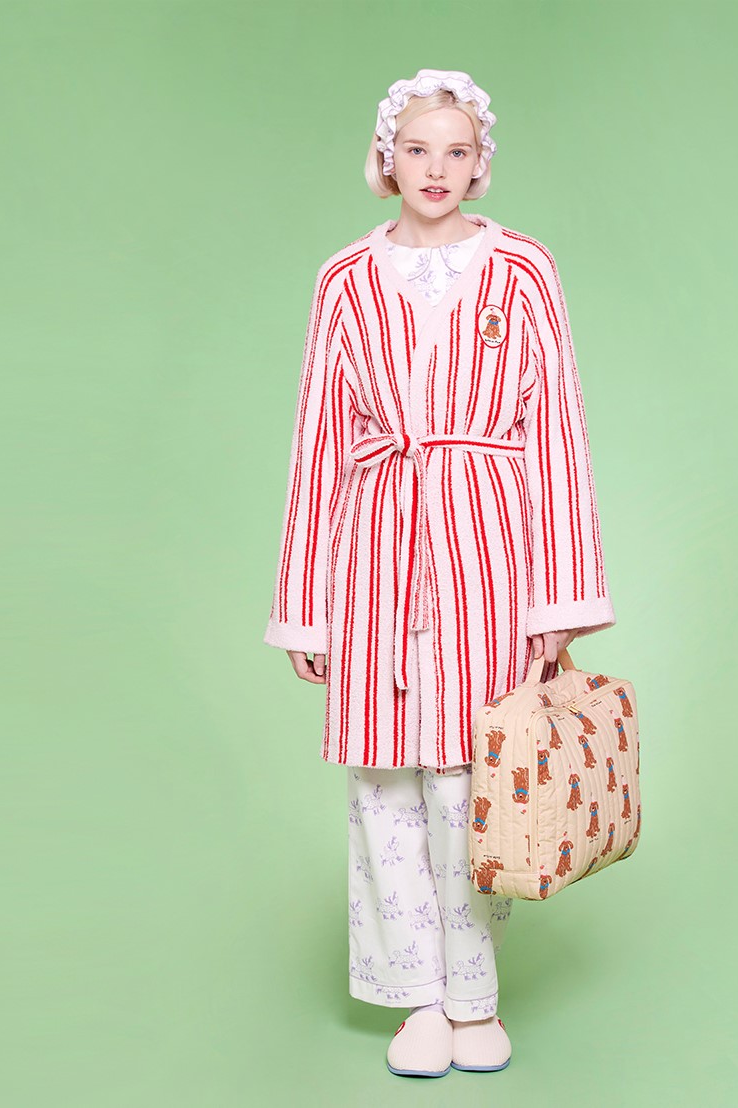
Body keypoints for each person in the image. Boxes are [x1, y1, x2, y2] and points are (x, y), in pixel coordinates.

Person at [263, 68, 616, 1078]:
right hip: (373, 552)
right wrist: (304, 609)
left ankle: (474, 996)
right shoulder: (345, 279)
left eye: (456, 151)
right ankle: (416, 998)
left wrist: (561, 598)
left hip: (492, 553)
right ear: (388, 158)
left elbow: (559, 433)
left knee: (473, 779)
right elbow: (317, 444)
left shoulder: (523, 269)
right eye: (418, 149)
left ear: (480, 161)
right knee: (386, 780)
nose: (436, 168)